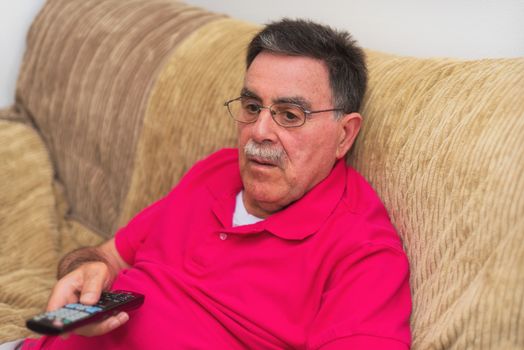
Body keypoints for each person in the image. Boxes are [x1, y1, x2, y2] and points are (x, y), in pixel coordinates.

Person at [20, 18, 411, 349]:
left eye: (289, 115)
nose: (259, 132)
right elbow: (109, 256)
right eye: (252, 107)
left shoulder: (363, 252)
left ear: (344, 135)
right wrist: (86, 270)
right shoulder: (216, 170)